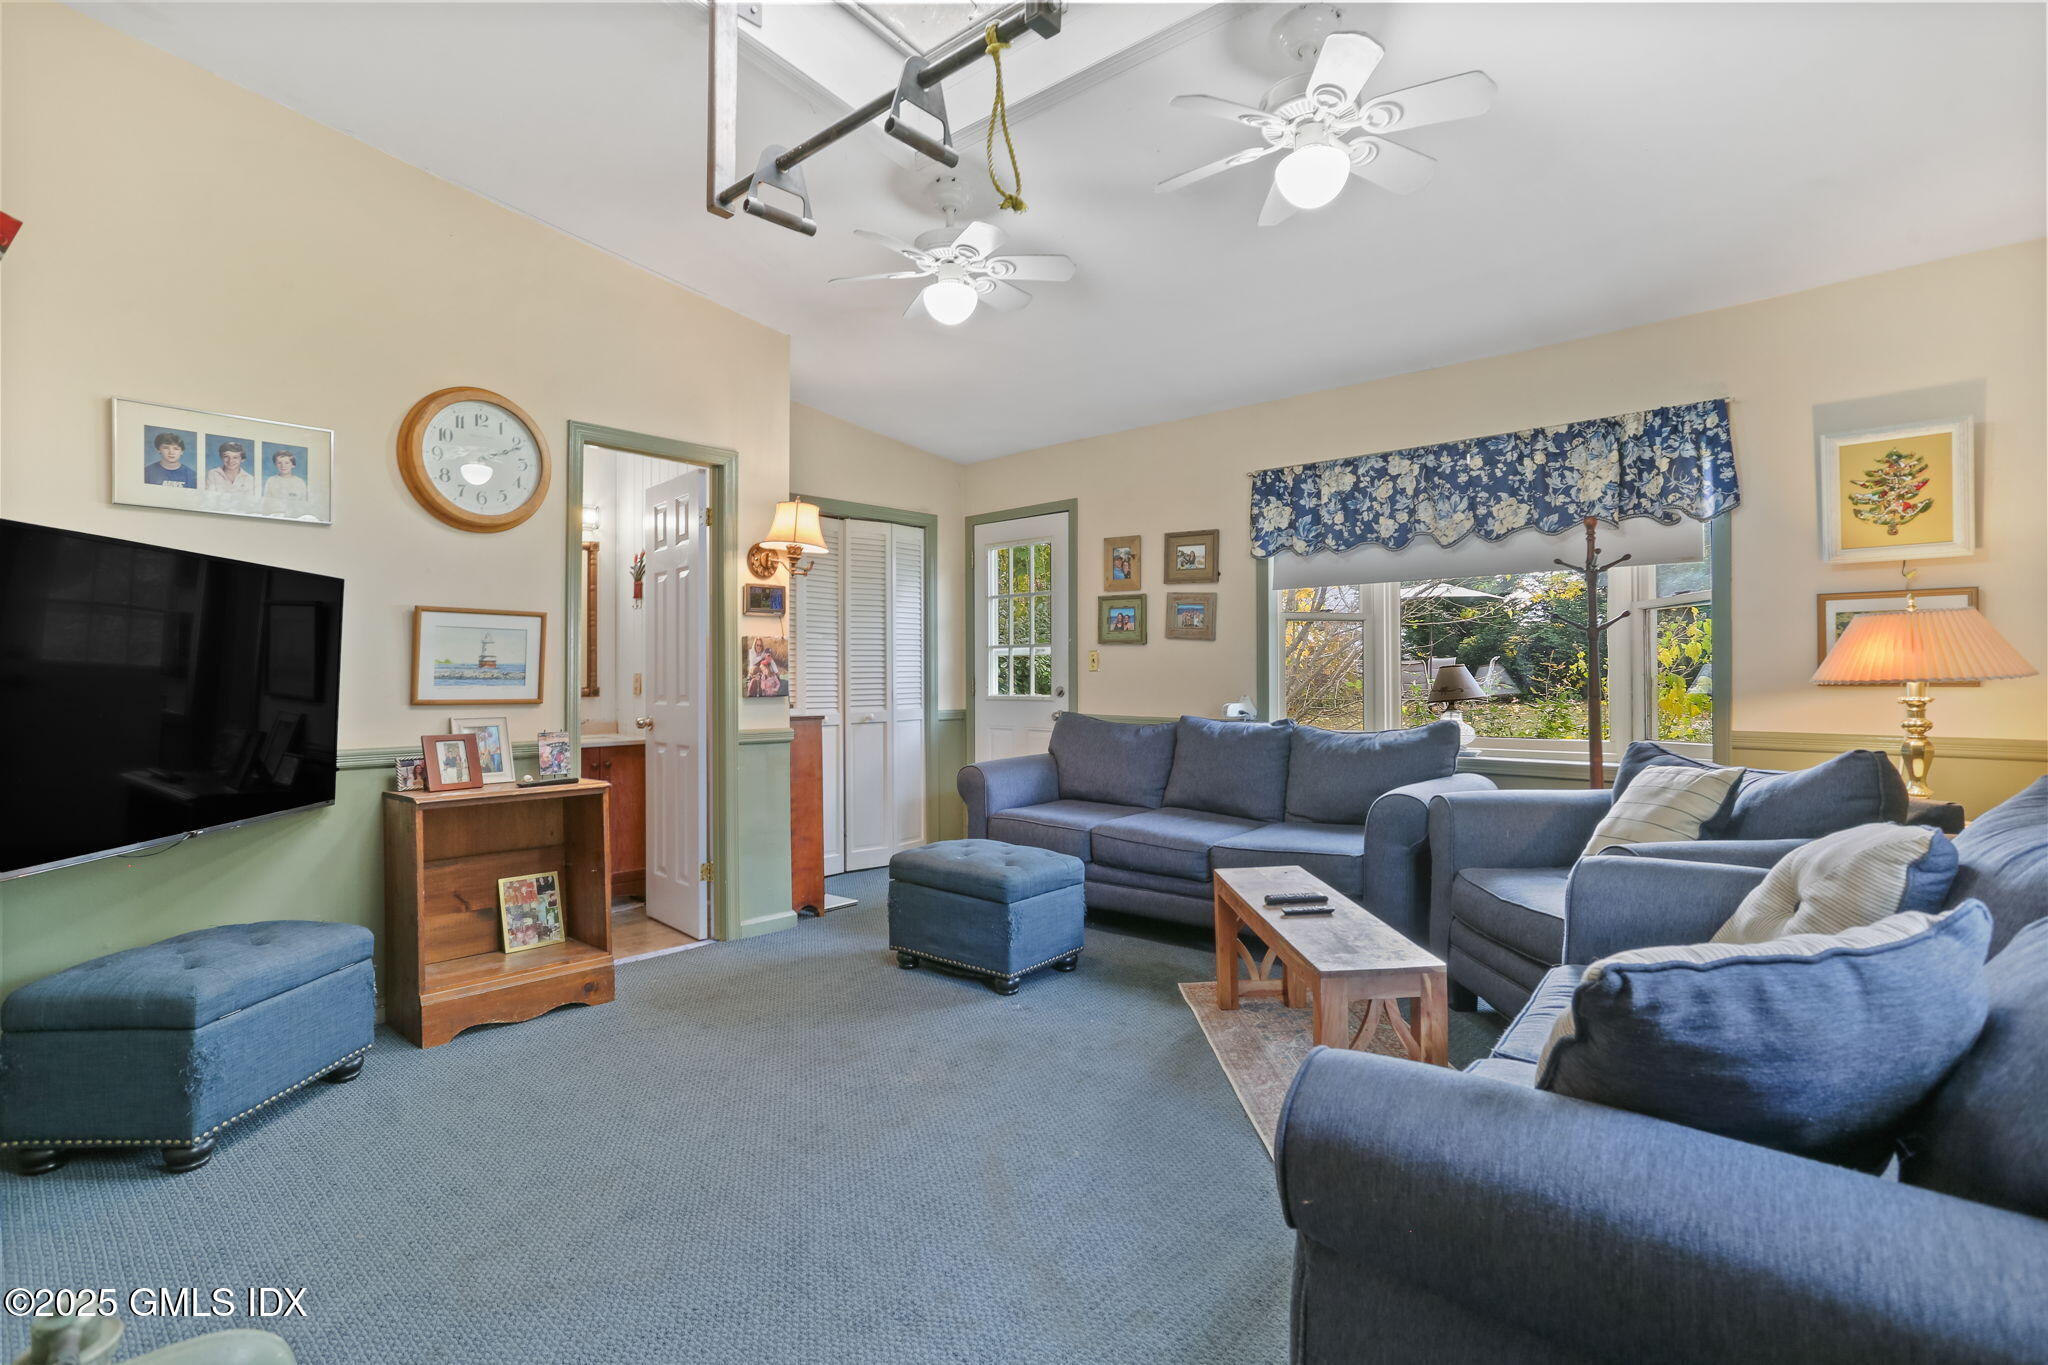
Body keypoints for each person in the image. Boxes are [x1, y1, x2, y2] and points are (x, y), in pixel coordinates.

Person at [262, 447, 310, 515]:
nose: (283, 466)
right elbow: (266, 503)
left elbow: (303, 505)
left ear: (293, 465)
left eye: (287, 463)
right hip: (275, 516)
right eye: (279, 463)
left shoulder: (300, 482)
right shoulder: (271, 481)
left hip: (295, 517)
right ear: (275, 464)